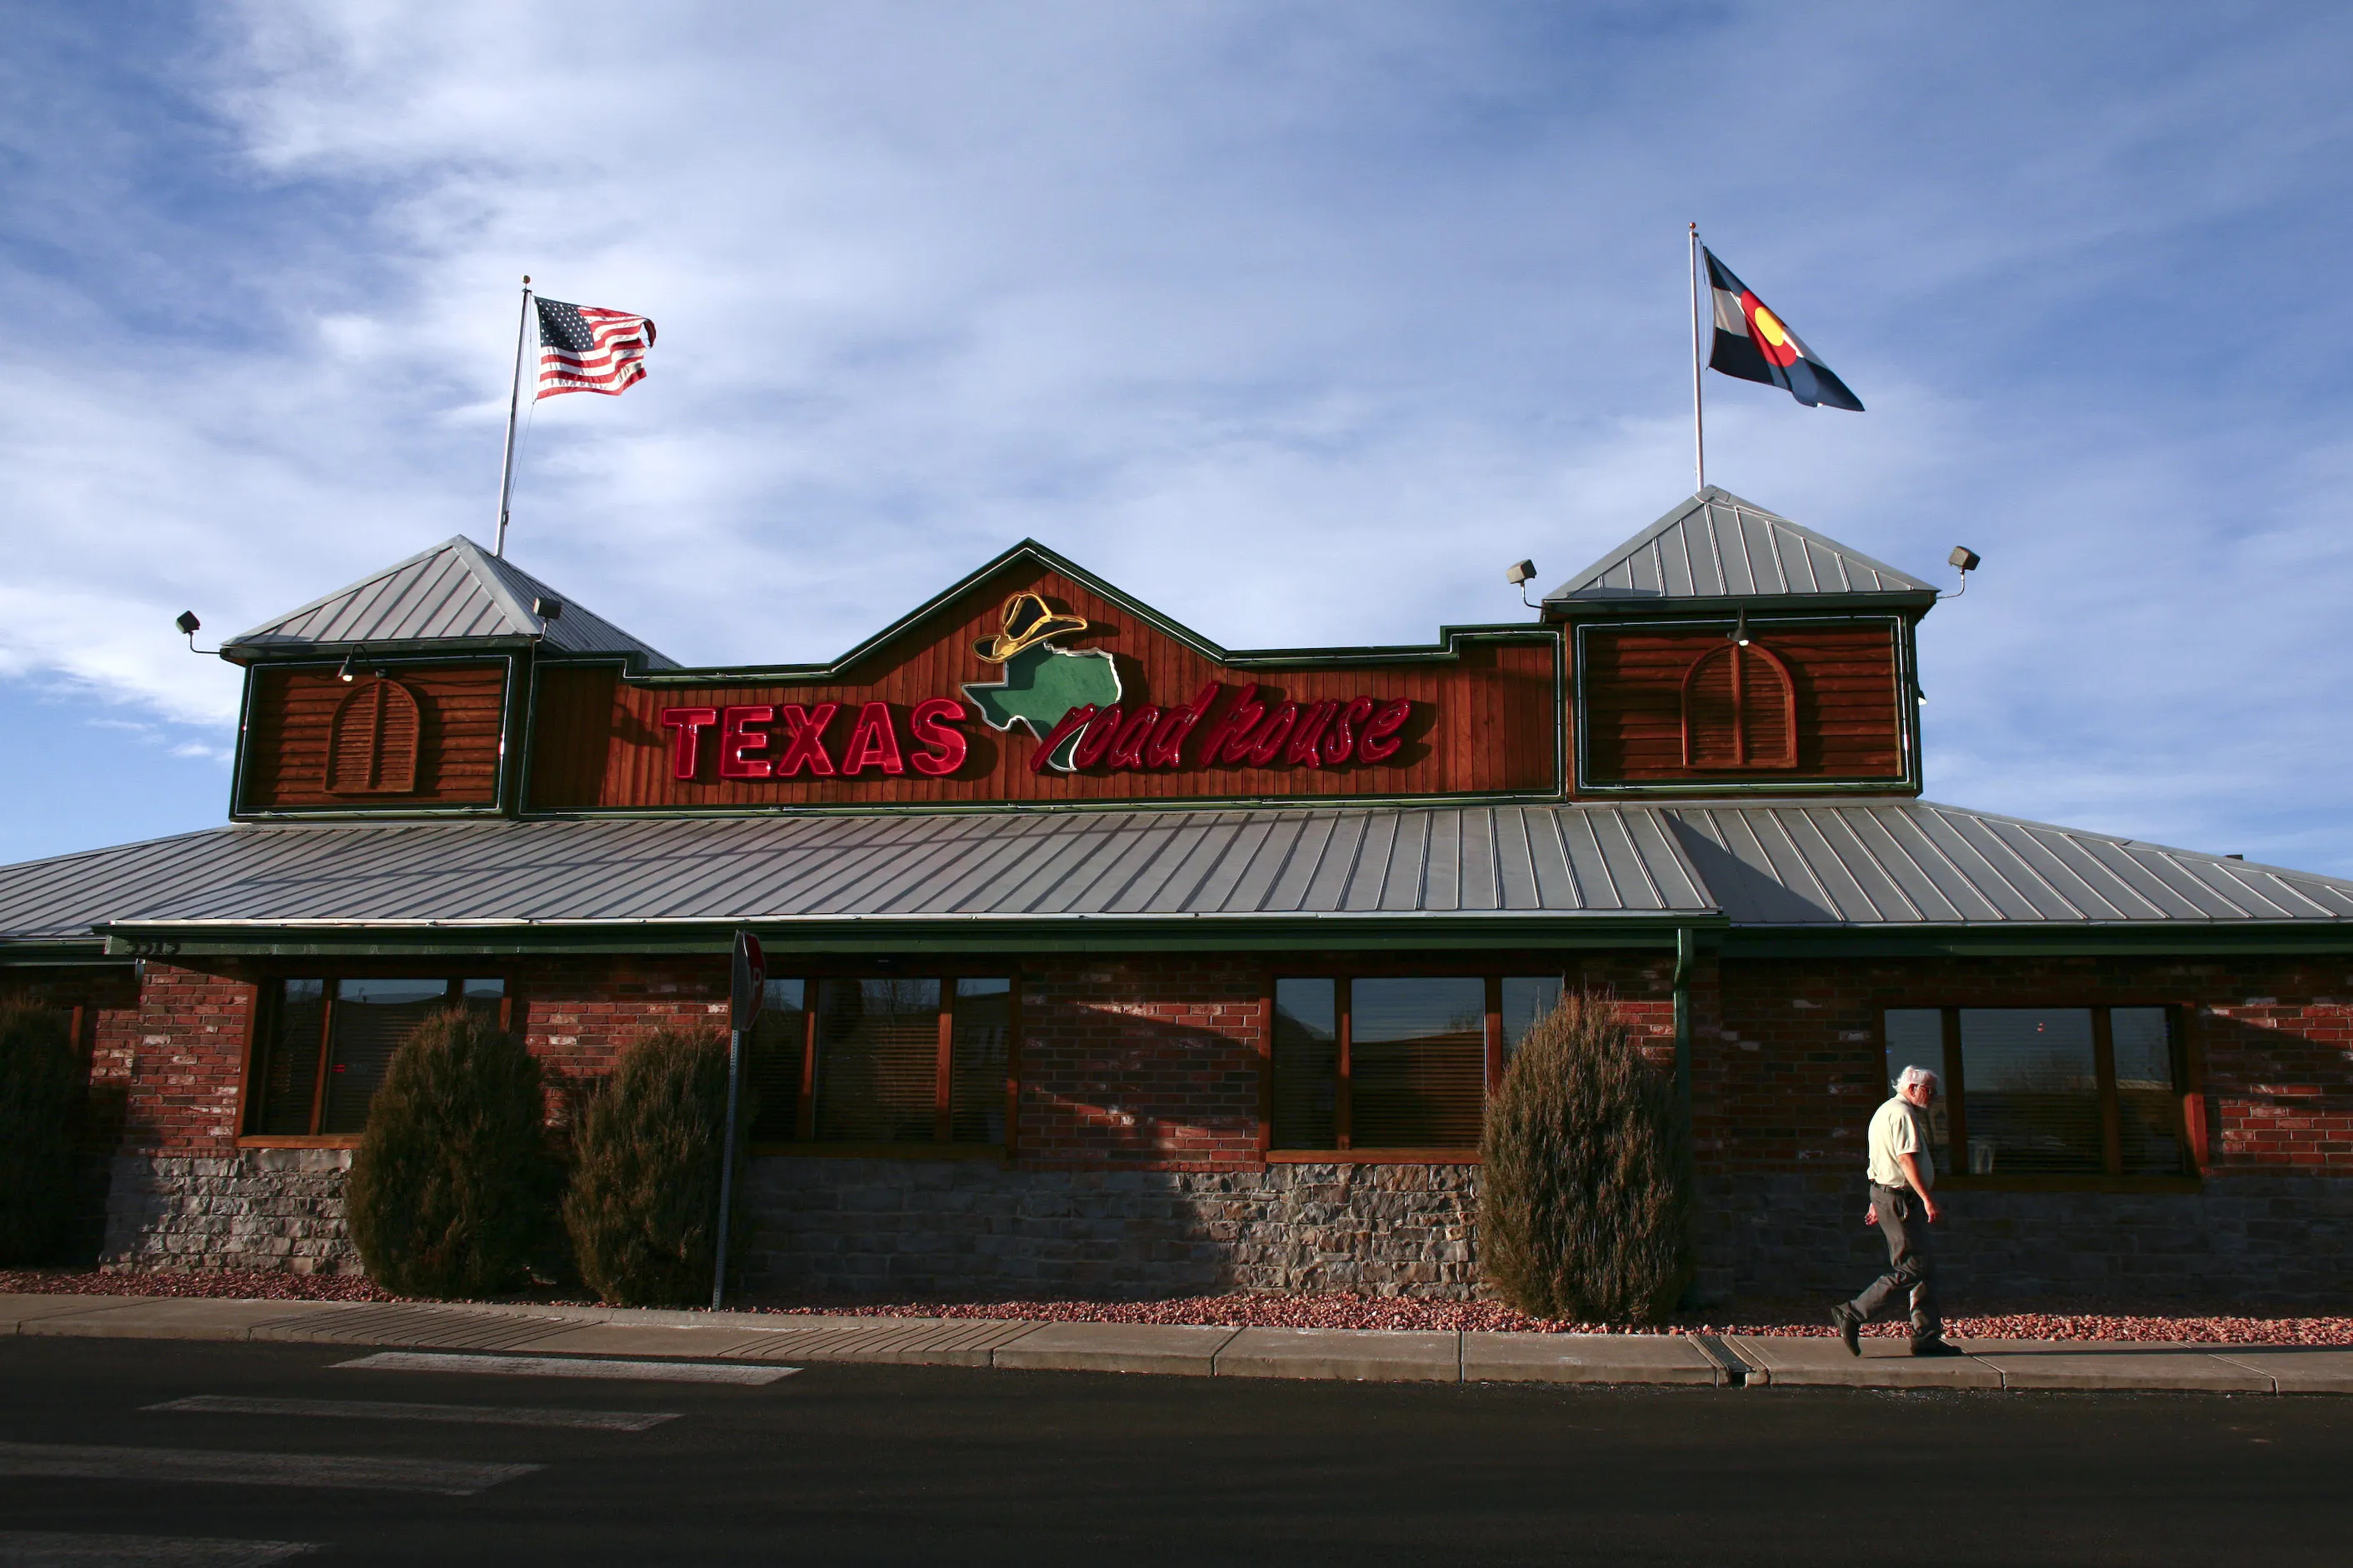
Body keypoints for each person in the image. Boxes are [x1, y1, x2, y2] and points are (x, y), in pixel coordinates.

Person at [1831, 1065, 1963, 1357]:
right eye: (1929, 1091)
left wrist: (1876, 1199)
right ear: (1913, 1088)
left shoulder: (1885, 1111)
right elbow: (1905, 1160)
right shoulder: (1902, 1114)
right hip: (1902, 1199)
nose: (1933, 1097)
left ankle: (1926, 1337)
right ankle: (1853, 1312)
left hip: (1889, 1194)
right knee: (1913, 1267)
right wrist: (1927, 1199)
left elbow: (1880, 1160)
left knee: (1923, 1267)